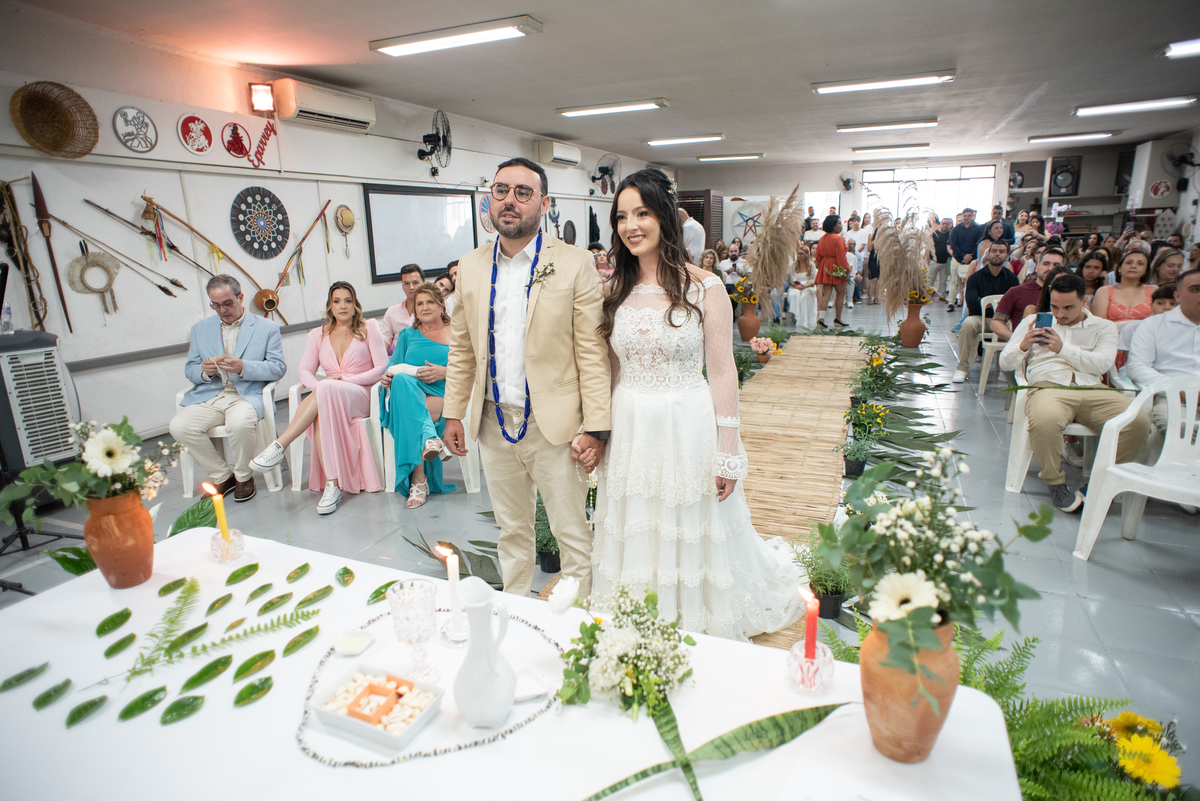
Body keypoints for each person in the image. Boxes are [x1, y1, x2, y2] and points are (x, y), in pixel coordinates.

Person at [588, 168, 802, 641]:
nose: (631, 226)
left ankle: (694, 615)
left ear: (663, 217)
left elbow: (722, 369)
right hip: (630, 422)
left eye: (641, 213)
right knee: (639, 518)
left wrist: (730, 445)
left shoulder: (705, 287)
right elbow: (611, 369)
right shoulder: (613, 291)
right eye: (621, 217)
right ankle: (637, 613)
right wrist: (597, 430)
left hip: (687, 421)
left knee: (689, 517)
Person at [442, 157, 610, 599]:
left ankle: (577, 627)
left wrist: (595, 427)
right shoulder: (471, 266)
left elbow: (591, 353)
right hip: (493, 423)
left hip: (553, 426)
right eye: (501, 191)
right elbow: (462, 349)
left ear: (544, 202)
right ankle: (513, 618)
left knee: (572, 534)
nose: (510, 201)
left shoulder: (573, 264)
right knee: (511, 532)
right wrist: (454, 413)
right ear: (489, 200)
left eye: (523, 192)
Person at [999, 273, 1151, 512]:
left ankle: (1100, 482)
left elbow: (1101, 365)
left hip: (1093, 389)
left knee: (1137, 421)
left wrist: (1062, 349)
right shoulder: (1033, 323)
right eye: (1055, 306)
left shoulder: (1104, 327)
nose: (1060, 314)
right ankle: (1055, 483)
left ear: (1084, 301)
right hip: (1048, 387)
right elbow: (1006, 363)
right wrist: (1023, 345)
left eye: (1068, 307)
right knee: (1045, 419)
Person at [251, 281, 387, 514]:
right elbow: (304, 370)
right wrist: (321, 385)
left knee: (324, 390)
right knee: (323, 398)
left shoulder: (369, 327)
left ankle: (279, 445)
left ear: (355, 305)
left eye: (348, 300)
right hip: (330, 395)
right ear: (329, 306)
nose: (342, 306)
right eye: (337, 301)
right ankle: (332, 484)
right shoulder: (317, 334)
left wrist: (346, 381)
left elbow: (382, 366)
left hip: (360, 393)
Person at [170, 275, 286, 502]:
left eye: (227, 303)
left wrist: (243, 367)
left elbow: (277, 368)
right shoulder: (200, 329)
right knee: (179, 426)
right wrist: (204, 372)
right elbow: (190, 369)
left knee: (239, 423)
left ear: (240, 297)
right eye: (216, 305)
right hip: (211, 395)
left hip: (247, 395)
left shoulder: (267, 328)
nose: (222, 310)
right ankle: (222, 475)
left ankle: (244, 476)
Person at [380, 283, 456, 508]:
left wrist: (445, 371)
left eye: (430, 302)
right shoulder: (407, 335)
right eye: (419, 303)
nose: (424, 307)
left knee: (408, 410)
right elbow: (393, 368)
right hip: (409, 393)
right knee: (402, 381)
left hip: (443, 391)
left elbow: (473, 368)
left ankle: (418, 480)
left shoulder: (457, 332)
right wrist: (387, 378)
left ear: (442, 305)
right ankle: (429, 440)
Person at [1128, 269, 1200, 430]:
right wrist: (1178, 389)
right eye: (1195, 289)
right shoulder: (1154, 325)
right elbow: (1137, 366)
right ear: (1178, 296)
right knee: (1177, 424)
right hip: (1173, 396)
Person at [952, 239, 1020, 383]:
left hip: (1002, 321)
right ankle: (962, 368)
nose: (997, 254)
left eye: (1001, 252)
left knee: (1016, 328)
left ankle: (1006, 369)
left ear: (1007, 255)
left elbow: (1014, 306)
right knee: (968, 324)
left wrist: (984, 300)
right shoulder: (976, 278)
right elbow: (972, 305)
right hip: (979, 318)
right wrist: (998, 303)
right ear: (987, 254)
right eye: (994, 251)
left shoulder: (1012, 279)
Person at [990, 247, 1064, 342]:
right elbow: (996, 323)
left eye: (1056, 265)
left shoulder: (1070, 294)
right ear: (1036, 267)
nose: (1050, 268)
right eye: (1046, 264)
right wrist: (1016, 338)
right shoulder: (1016, 291)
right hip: (1026, 346)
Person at [1115, 283, 1177, 375]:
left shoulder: (1190, 329)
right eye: (1160, 303)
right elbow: (1132, 362)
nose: (1166, 307)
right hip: (1138, 373)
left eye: (1173, 304)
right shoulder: (1131, 329)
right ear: (1151, 306)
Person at [1092, 249, 1155, 321]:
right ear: (1119, 268)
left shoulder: (1153, 290)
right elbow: (1100, 323)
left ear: (1146, 271)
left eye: (1140, 264)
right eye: (1128, 263)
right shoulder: (1104, 291)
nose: (1133, 266)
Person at [814, 214, 851, 328]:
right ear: (834, 226)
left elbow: (818, 256)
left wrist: (823, 267)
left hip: (826, 266)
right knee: (840, 294)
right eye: (839, 223)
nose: (841, 226)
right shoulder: (838, 238)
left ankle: (821, 319)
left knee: (826, 294)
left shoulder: (822, 239)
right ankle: (838, 319)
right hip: (836, 267)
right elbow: (841, 256)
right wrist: (846, 270)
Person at [379, 263, 424, 352]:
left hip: (423, 355)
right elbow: (385, 338)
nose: (411, 287)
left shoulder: (431, 310)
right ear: (402, 286)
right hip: (399, 359)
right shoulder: (392, 312)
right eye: (406, 283)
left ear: (423, 284)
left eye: (415, 283)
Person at [948, 207, 983, 314]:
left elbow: (978, 243)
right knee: (954, 281)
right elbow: (953, 244)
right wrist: (963, 255)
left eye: (969, 216)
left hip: (972, 259)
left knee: (970, 282)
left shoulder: (978, 229)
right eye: (965, 216)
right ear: (961, 216)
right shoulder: (956, 229)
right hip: (957, 258)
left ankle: (967, 304)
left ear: (972, 216)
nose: (966, 218)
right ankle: (951, 302)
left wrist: (970, 256)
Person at [786, 243, 817, 328]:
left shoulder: (811, 265)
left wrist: (806, 286)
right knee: (794, 294)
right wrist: (796, 286)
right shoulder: (793, 265)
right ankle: (798, 317)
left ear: (807, 255)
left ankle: (806, 320)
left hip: (808, 286)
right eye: (798, 253)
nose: (799, 256)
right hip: (795, 286)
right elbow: (791, 279)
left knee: (805, 295)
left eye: (801, 254)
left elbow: (814, 280)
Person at [718, 240, 747, 311]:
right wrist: (728, 271)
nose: (733, 253)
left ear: (738, 251)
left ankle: (731, 313)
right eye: (731, 251)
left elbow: (750, 275)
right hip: (726, 286)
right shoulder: (723, 262)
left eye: (735, 251)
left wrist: (740, 273)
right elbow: (719, 275)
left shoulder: (744, 262)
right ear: (728, 252)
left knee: (734, 293)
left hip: (740, 286)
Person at [929, 217, 952, 302]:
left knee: (943, 280)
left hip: (946, 262)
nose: (945, 225)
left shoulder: (951, 234)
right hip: (934, 261)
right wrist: (928, 258)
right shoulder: (934, 234)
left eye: (947, 224)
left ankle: (942, 296)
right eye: (943, 223)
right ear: (940, 224)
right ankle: (927, 295)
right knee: (930, 279)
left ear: (950, 225)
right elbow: (929, 247)